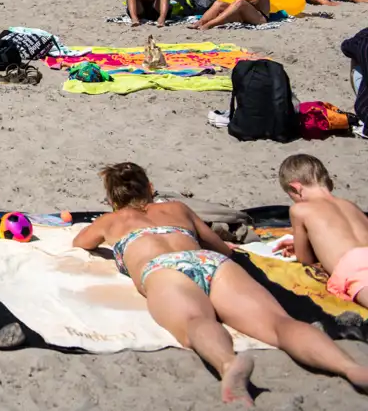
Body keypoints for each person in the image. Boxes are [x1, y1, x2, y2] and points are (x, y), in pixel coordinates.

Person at [74, 162, 368, 404]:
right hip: (209, 261)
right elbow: (221, 247)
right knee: (279, 323)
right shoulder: (178, 208)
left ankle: (228, 364)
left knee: (195, 320)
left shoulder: (111, 220)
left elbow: (81, 241)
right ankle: (350, 367)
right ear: (150, 189)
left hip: (163, 270)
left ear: (113, 200)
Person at [278, 154, 368, 308]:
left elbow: (305, 259)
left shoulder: (299, 209)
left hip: (354, 266)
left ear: (296, 188)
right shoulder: (350, 205)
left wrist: (301, 246)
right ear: (330, 184)